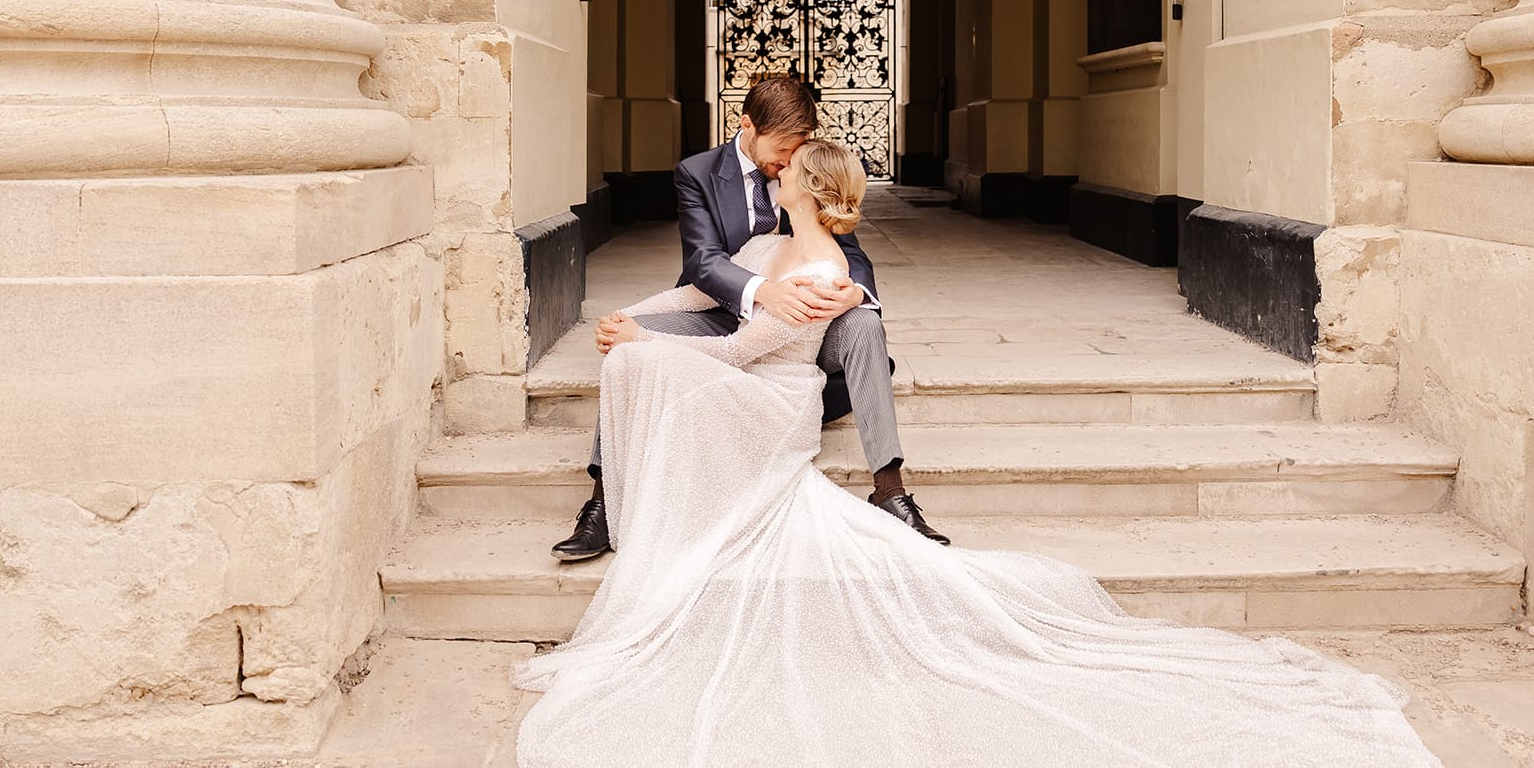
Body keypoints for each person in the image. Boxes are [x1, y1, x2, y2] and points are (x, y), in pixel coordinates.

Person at [510, 139, 1441, 767]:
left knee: (656, 375)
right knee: (642, 359)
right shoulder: (763, 242)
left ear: (807, 186)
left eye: (792, 168)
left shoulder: (830, 271)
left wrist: (655, 349)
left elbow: (744, 349)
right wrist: (630, 318)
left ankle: (662, 510)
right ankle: (660, 501)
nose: (778, 172)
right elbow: (696, 289)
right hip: (745, 375)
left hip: (775, 398)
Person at [548, 77, 944, 563]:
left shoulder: (802, 173)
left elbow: (847, 248)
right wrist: (630, 321)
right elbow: (702, 265)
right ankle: (604, 502)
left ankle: (889, 488)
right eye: (782, 150)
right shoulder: (698, 173)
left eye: (797, 152)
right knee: (629, 351)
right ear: (748, 126)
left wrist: (851, 292)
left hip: (803, 323)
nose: (785, 164)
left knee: (864, 324)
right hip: (723, 312)